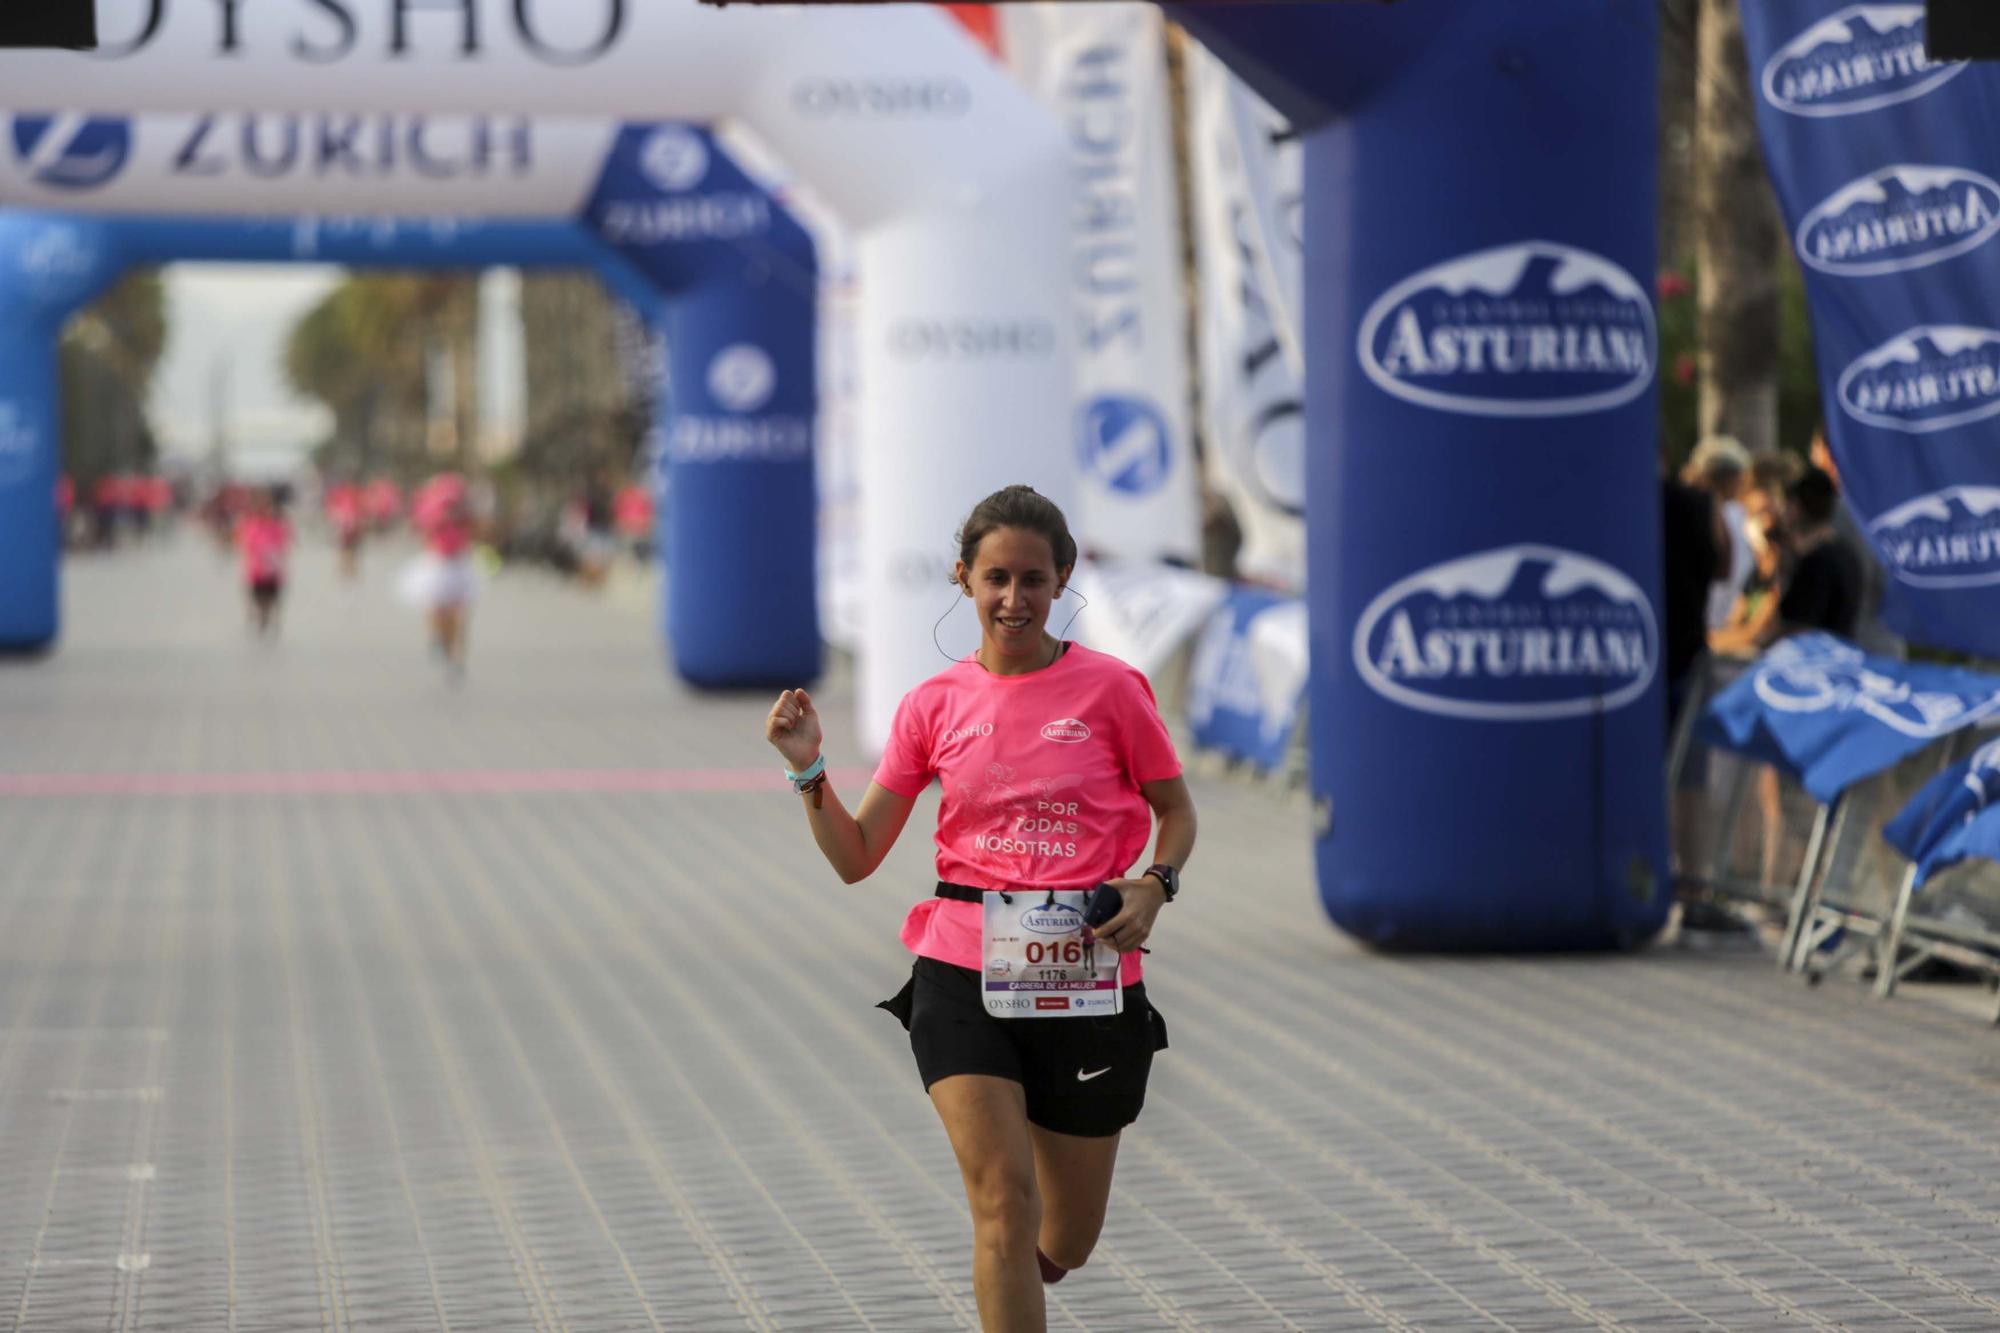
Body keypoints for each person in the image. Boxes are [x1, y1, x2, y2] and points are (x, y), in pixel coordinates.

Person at [763, 484, 1196, 1332]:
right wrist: (809, 770)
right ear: (962, 578)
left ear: (1062, 578)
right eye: (995, 577)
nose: (1013, 599)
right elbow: (856, 858)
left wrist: (1156, 883)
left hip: (1090, 977)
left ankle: (1032, 1274)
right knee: (1002, 1200)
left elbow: (1176, 810)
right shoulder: (932, 705)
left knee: (1064, 1234)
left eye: (1033, 578)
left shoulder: (1112, 690)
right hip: (963, 972)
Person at [1809, 426, 1903, 657]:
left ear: (1826, 454)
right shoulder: (1893, 505)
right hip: (1887, 645)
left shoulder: (1838, 511)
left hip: (1849, 649)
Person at [399, 473, 479, 681]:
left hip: (460, 565)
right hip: (438, 565)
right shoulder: (432, 510)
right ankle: (439, 639)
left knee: (459, 615)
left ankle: (456, 658)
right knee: (437, 609)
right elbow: (418, 527)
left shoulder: (466, 514)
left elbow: (479, 530)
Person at [234, 486, 292, 637]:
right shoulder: (249, 523)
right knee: (258, 597)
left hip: (274, 569)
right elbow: (243, 541)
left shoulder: (278, 524)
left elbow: (284, 541)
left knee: (272, 598)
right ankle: (261, 618)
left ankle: (269, 618)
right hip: (256, 569)